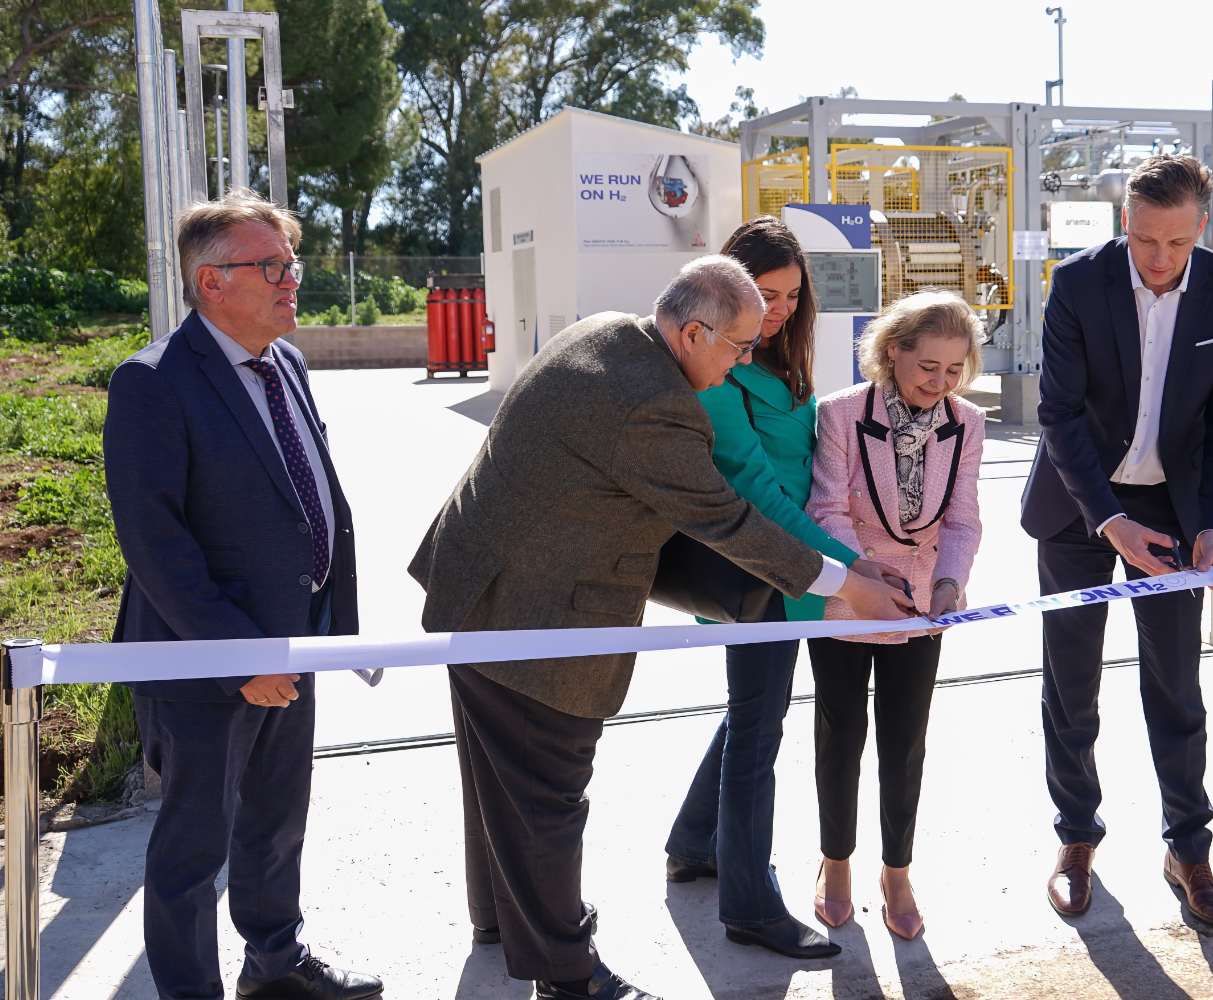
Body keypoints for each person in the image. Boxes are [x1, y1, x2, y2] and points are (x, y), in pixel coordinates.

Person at [410, 255, 914, 1000]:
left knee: (497, 779)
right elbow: (722, 517)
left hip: (477, 582)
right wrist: (847, 584)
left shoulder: (606, 332)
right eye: (738, 346)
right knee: (548, 793)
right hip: (537, 616)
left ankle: (501, 922)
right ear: (692, 331)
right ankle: (567, 973)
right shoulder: (655, 403)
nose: (745, 359)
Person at [104, 190, 381, 1000]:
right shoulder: (151, 383)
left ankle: (275, 963)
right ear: (211, 282)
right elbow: (156, 547)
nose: (291, 279)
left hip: (292, 642)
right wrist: (240, 659)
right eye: (271, 266)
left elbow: (302, 495)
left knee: (274, 822)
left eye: (290, 263)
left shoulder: (286, 361)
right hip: (209, 663)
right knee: (195, 848)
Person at [1020, 154, 1213, 927]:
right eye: (1145, 239)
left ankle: (1188, 849)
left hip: (1176, 516)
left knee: (1177, 690)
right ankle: (1076, 838)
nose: (1159, 260)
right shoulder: (1078, 284)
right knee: (1071, 686)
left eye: (1176, 244)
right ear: (1126, 221)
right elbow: (1057, 413)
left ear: (1201, 229)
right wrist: (1109, 520)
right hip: (1079, 509)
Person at [662, 218, 867, 960]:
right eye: (762, 293)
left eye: (789, 294)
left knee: (757, 709)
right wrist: (848, 569)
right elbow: (752, 487)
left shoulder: (787, 356)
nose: (777, 308)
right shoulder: (722, 367)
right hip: (760, 566)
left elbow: (811, 467)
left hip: (799, 565)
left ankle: (693, 842)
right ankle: (750, 905)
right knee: (758, 729)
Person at [803, 290, 986, 941]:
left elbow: (962, 517)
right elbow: (825, 509)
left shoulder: (966, 423)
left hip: (918, 607)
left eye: (953, 369)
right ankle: (836, 861)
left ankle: (898, 870)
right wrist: (862, 575)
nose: (939, 382)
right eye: (927, 366)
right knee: (840, 735)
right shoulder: (841, 414)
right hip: (849, 597)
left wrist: (947, 581)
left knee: (905, 742)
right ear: (891, 353)